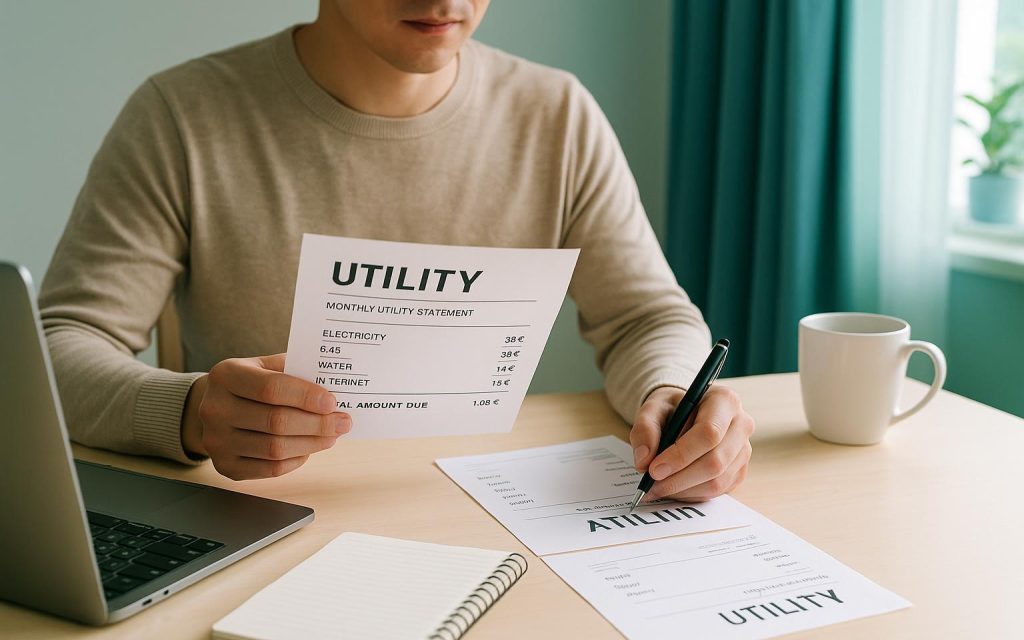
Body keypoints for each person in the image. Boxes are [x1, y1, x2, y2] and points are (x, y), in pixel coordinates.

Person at [39, 0, 754, 499]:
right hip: (259, 529)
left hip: (495, 518)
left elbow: (644, 317)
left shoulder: (556, 116)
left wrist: (671, 395)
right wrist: (189, 410)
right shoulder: (182, 117)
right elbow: (55, 346)